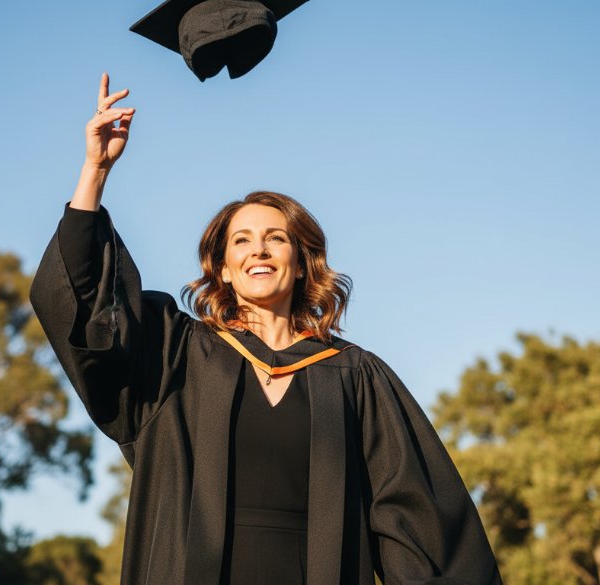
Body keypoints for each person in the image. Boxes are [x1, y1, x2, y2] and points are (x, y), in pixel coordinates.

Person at [30, 73, 503, 585]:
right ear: (224, 268)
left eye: (276, 238)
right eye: (242, 242)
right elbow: (87, 310)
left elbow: (416, 518)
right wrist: (94, 172)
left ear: (300, 263)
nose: (258, 249)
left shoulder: (354, 376)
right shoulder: (176, 353)